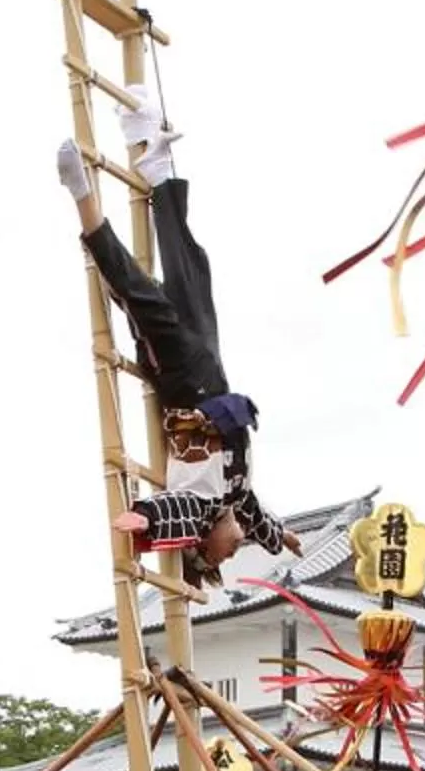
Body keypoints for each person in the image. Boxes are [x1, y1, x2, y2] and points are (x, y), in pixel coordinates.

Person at [57, 101, 300, 587]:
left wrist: (143, 519)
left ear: (200, 543)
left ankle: (83, 200)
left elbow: (174, 510)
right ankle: (159, 171)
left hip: (182, 383)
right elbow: (257, 519)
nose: (231, 553)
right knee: (194, 270)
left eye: (219, 557)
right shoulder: (235, 498)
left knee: (140, 296)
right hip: (214, 374)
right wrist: (283, 537)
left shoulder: (202, 506)